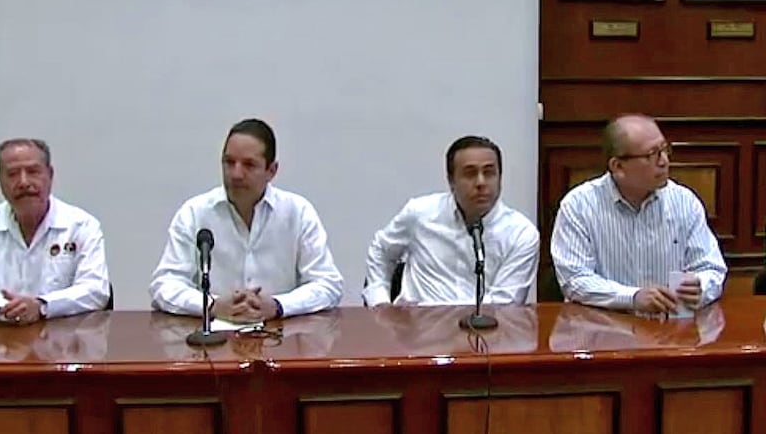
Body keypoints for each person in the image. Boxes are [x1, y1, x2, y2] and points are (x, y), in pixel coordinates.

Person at [150, 118, 343, 321]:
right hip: (214, 335)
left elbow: (328, 284)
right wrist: (212, 305)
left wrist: (278, 306)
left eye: (249, 165)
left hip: (280, 335)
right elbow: (164, 285)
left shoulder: (298, 212)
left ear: (271, 171)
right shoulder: (194, 213)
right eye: (229, 162)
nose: (236, 174)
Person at [550, 114, 728, 314]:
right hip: (602, 327)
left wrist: (701, 286)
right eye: (652, 154)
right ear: (618, 166)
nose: (664, 161)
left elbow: (711, 268)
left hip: (668, 327)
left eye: (664, 150)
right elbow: (575, 280)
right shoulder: (579, 206)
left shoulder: (684, 202)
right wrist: (632, 297)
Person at [0, 138, 110, 326]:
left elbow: (96, 291)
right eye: (12, 174)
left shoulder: (81, 226)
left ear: (50, 175)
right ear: (0, 181)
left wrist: (42, 306)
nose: (24, 182)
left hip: (61, 337)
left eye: (33, 171)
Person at [363, 136, 540, 307]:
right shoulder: (420, 214)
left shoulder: (521, 234)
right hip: (415, 324)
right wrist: (380, 303)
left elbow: (504, 306)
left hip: (483, 326)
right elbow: (381, 251)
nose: (481, 182)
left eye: (489, 173)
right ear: (451, 180)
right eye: (470, 174)